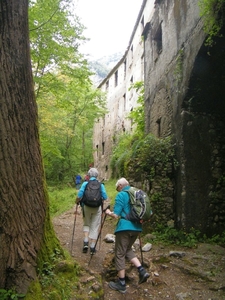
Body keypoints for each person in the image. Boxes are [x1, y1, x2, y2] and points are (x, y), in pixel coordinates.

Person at [105, 177, 149, 294]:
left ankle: (122, 283)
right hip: (137, 228)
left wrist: (108, 212)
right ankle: (141, 270)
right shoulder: (137, 193)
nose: (117, 190)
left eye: (117, 188)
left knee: (119, 253)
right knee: (127, 249)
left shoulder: (122, 195)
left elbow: (116, 215)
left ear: (120, 186)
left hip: (124, 228)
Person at [76, 168, 108, 254]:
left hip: (86, 206)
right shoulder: (100, 185)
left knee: (86, 223)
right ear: (97, 175)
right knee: (95, 226)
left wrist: (77, 201)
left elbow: (80, 194)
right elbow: (105, 197)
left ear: (89, 175)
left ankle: (86, 242)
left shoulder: (85, 183)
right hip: (97, 208)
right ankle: (92, 247)